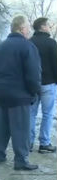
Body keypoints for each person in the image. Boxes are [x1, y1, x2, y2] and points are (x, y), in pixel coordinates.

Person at [0, 15, 41, 170]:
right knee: (21, 128)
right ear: (22, 28)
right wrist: (35, 92)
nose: (29, 30)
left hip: (1, 92)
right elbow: (33, 74)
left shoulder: (1, 46)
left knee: (1, 125)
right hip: (20, 95)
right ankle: (21, 160)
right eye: (28, 27)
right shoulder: (28, 47)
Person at [29, 17, 57, 153]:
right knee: (47, 114)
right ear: (42, 27)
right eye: (48, 25)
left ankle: (27, 142)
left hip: (32, 84)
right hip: (48, 83)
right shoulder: (51, 43)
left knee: (31, 114)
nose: (50, 27)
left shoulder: (29, 42)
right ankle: (44, 143)